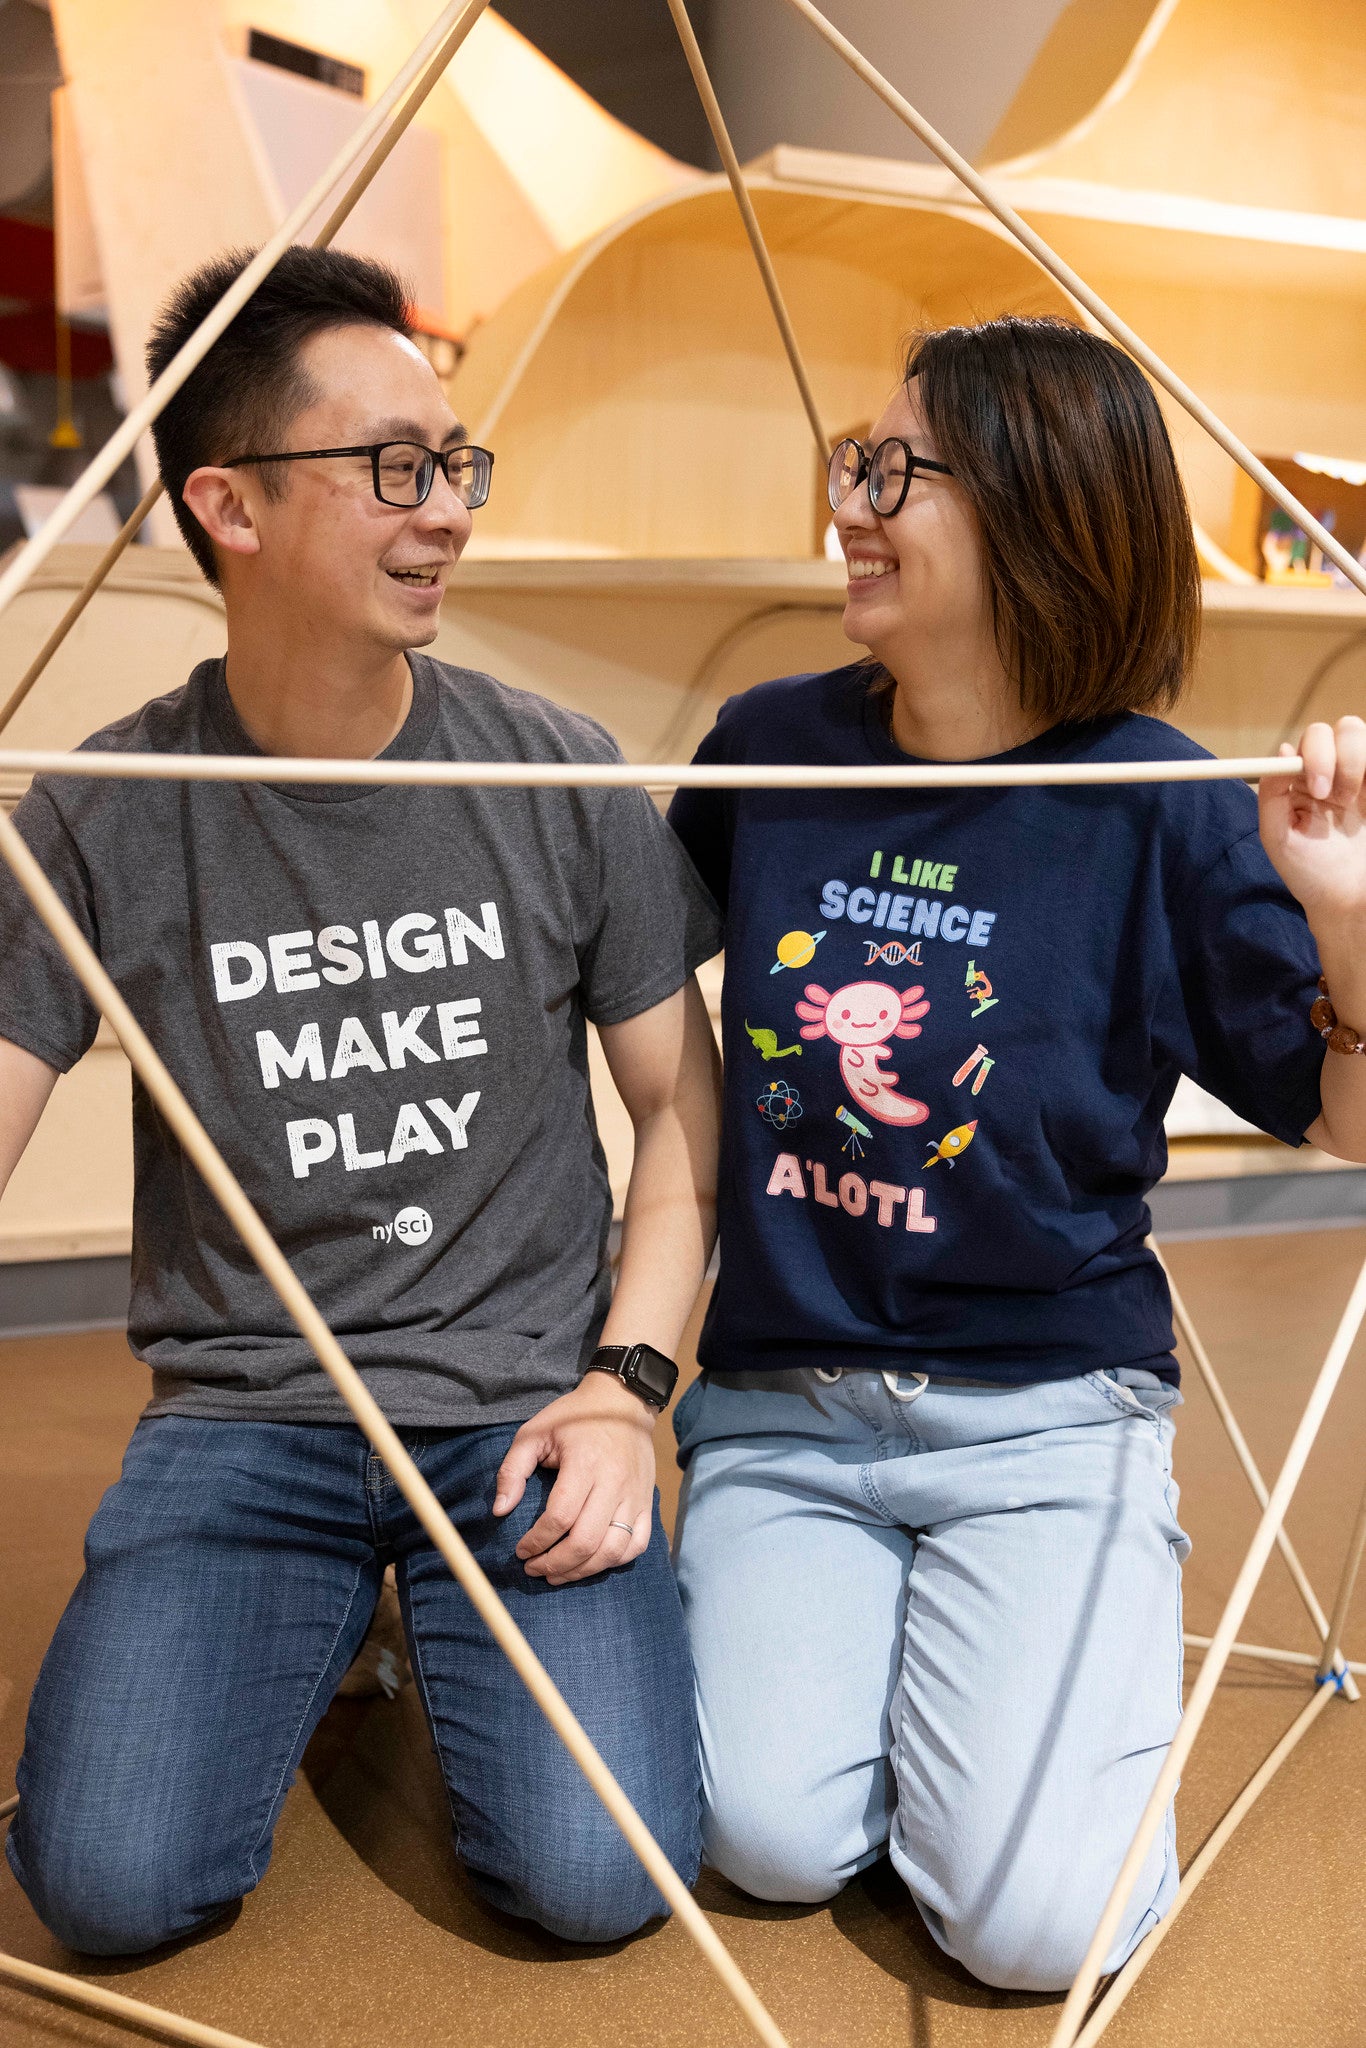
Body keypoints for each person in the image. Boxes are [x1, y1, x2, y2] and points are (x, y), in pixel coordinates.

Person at [0, 246, 721, 1955]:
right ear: (228, 506)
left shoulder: (547, 769)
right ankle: (330, 1618)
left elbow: (684, 1122)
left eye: (455, 460)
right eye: (393, 466)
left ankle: (389, 1611)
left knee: (595, 1879)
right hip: (247, 1423)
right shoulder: (100, 810)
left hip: (521, 1413)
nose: (447, 510)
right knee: (102, 1886)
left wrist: (628, 1390)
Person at [666, 316, 1366, 1992]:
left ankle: (1049, 1680)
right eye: (857, 456)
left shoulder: (1169, 804)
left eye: (895, 472)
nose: (852, 502)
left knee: (1029, 1933)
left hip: (1048, 1414)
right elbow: (622, 997)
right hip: (781, 1408)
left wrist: (1340, 918)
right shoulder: (770, 743)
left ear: (1041, 512)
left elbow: (1344, 1125)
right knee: (762, 1842)